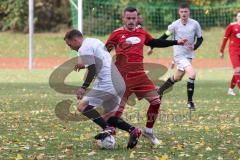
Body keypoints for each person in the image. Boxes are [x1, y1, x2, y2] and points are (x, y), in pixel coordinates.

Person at [105, 6, 187, 145]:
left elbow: (154, 42)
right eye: (128, 18)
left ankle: (148, 130)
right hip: (123, 77)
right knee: (116, 112)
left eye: (133, 18)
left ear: (137, 18)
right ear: (123, 18)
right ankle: (109, 135)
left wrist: (175, 42)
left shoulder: (141, 32)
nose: (131, 21)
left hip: (140, 76)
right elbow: (104, 52)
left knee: (156, 101)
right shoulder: (116, 34)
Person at [64, 29, 142, 149]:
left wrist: (83, 87)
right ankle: (133, 130)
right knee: (108, 117)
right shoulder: (94, 41)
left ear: (75, 40)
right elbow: (100, 60)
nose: (70, 48)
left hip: (107, 83)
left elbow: (93, 69)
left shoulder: (84, 48)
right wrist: (84, 64)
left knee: (82, 106)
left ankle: (107, 129)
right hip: (119, 83)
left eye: (70, 44)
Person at [154, 3, 203, 110]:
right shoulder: (174, 25)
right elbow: (165, 36)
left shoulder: (195, 24)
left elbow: (200, 38)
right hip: (179, 55)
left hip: (189, 55)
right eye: (182, 12)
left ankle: (159, 91)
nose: (184, 13)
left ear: (189, 12)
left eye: (186, 11)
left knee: (178, 77)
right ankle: (190, 102)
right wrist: (153, 45)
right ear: (179, 12)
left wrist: (195, 46)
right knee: (192, 74)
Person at [220, 11, 240, 96]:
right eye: (239, 16)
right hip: (233, 51)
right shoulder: (232, 26)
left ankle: (230, 90)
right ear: (237, 17)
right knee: (238, 70)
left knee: (238, 71)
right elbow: (225, 38)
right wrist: (221, 50)